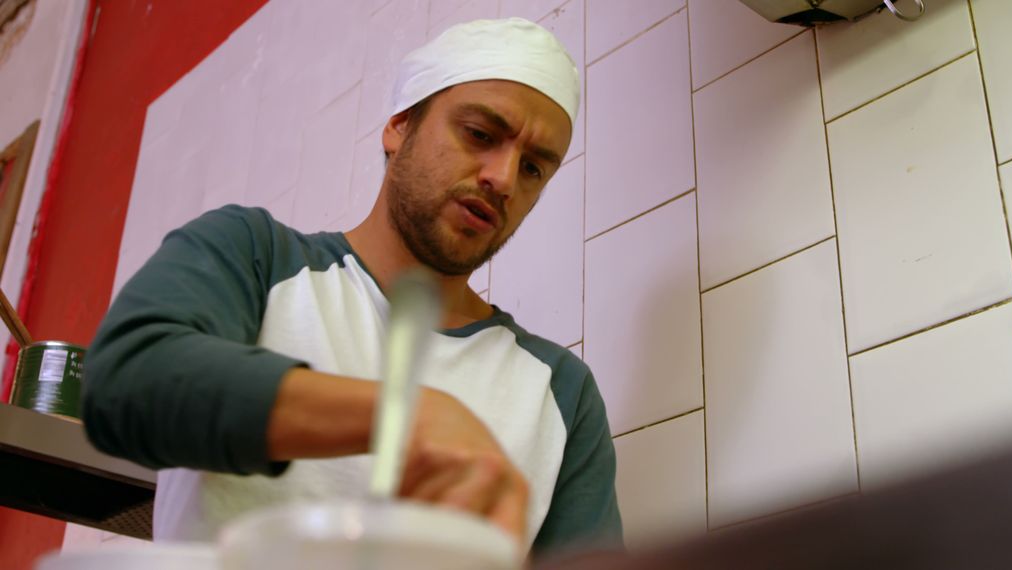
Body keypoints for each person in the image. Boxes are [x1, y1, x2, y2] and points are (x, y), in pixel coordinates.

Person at [82, 17, 622, 557]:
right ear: (400, 126)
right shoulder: (256, 256)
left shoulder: (559, 393)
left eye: (532, 169)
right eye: (480, 135)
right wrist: (402, 417)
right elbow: (126, 382)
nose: (503, 178)